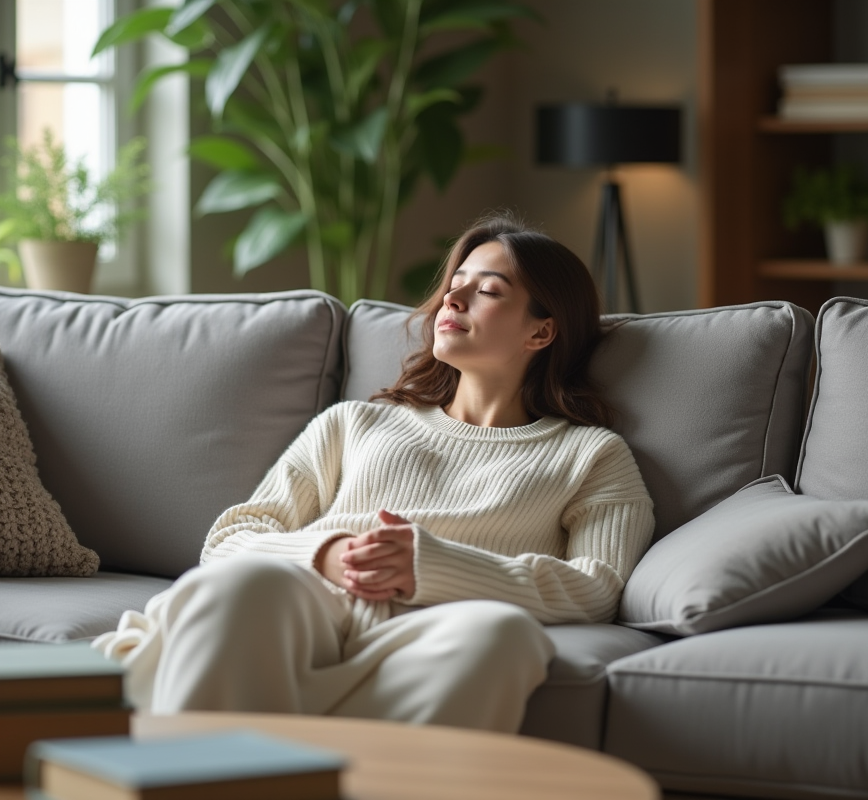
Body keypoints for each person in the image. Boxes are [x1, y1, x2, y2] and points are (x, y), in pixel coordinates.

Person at [93, 213, 654, 733]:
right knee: (248, 582)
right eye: (454, 281)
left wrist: (429, 564)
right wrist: (328, 553)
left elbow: (596, 587)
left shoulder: (590, 454)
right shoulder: (354, 423)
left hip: (431, 631)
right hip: (305, 607)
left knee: (503, 636)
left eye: (486, 291)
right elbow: (228, 541)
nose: (451, 297)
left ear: (541, 333)